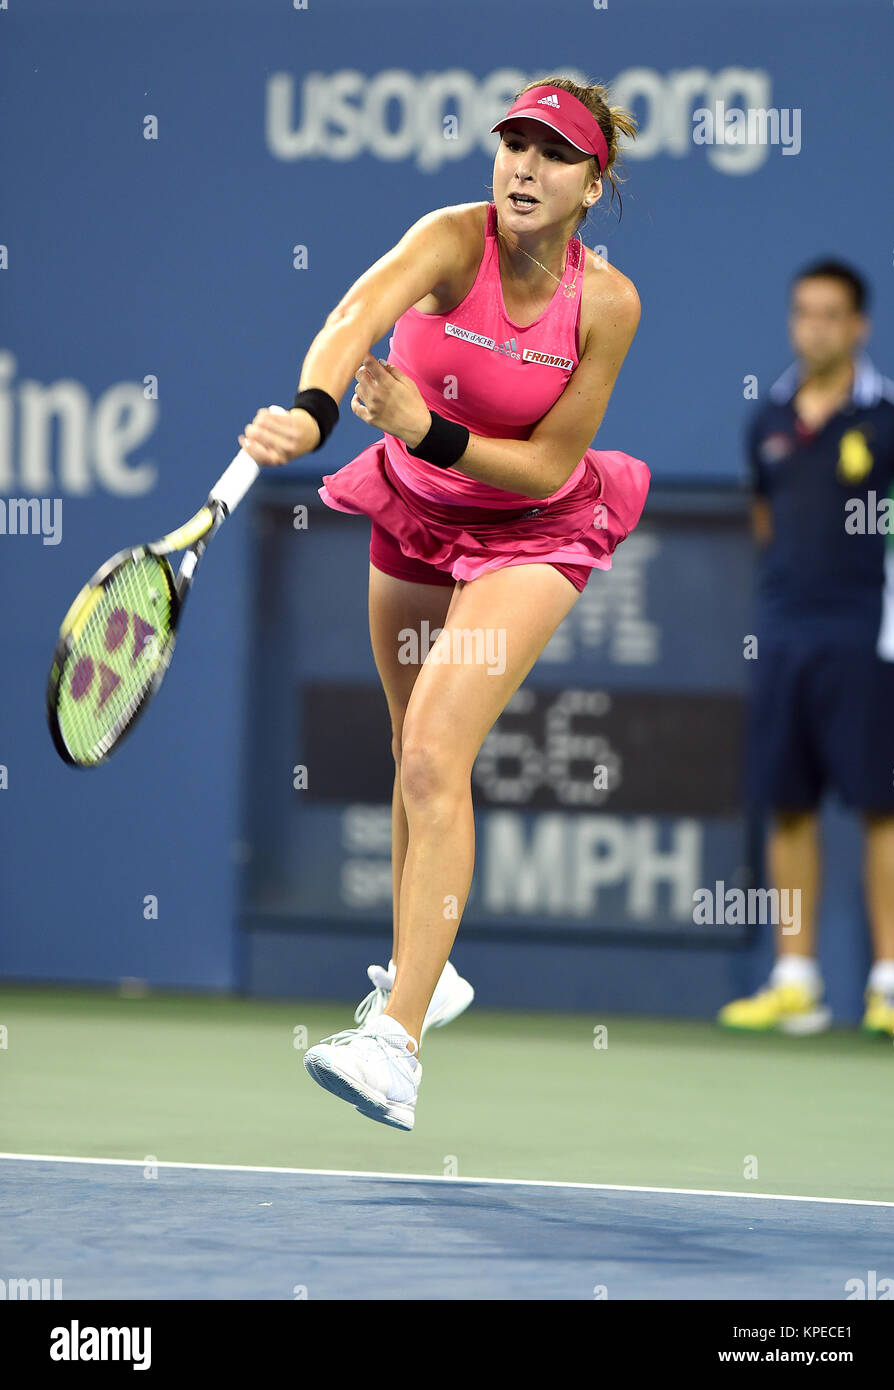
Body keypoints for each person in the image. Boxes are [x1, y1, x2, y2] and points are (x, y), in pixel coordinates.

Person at [239, 77, 650, 1127]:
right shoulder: (446, 239)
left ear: (591, 186)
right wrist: (312, 411)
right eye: (514, 144)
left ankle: (398, 1040)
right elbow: (352, 317)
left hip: (533, 527)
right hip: (416, 513)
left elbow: (551, 464)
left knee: (434, 750)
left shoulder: (605, 303)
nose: (524, 166)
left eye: (553, 154)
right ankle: (430, 963)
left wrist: (424, 427)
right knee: (410, 751)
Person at [719, 260, 894, 1037]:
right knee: (786, 802)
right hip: (784, 631)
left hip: (870, 634)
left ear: (858, 326)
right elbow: (765, 523)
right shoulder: (765, 420)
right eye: (803, 313)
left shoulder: (892, 419)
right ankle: (796, 980)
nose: (815, 327)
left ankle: (889, 984)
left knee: (882, 806)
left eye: (831, 315)